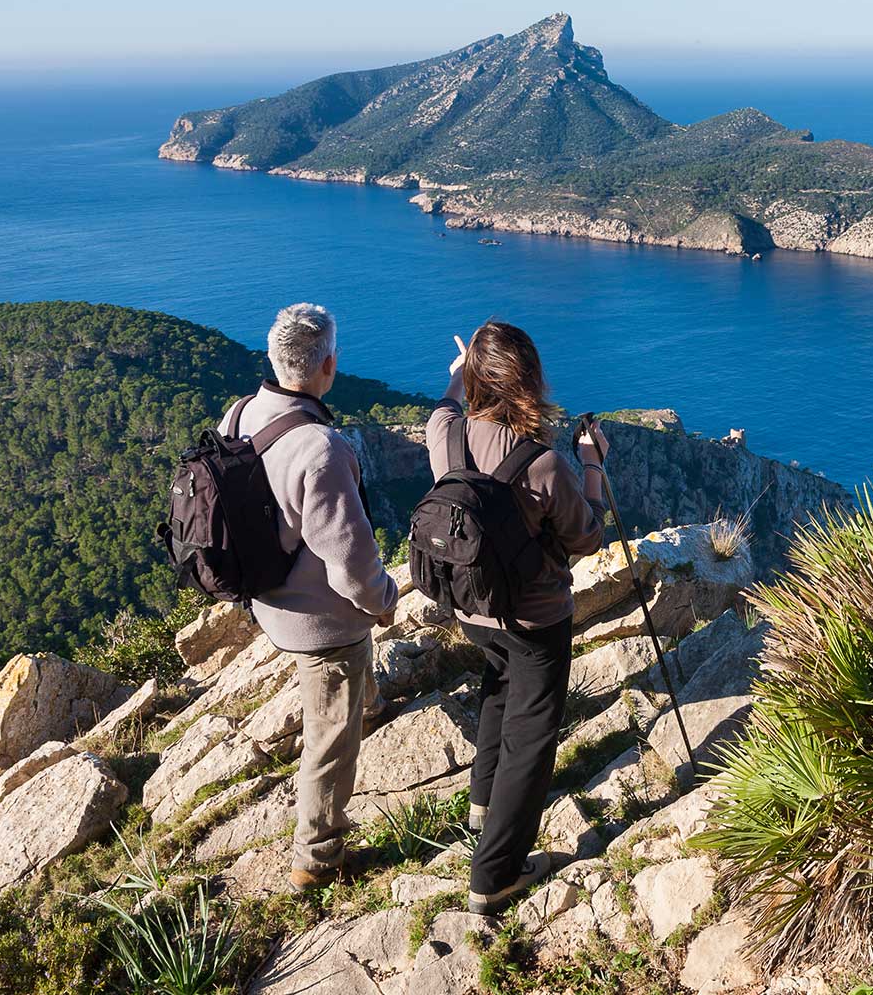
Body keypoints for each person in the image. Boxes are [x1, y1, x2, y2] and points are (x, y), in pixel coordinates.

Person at [430, 321, 610, 914]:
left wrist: (460, 378)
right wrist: (592, 466)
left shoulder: (443, 435)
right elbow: (587, 538)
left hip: (470, 606)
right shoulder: (544, 465)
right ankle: (495, 875)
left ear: (478, 380)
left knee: (498, 689)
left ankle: (483, 802)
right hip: (535, 621)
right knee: (531, 741)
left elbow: (447, 406)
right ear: (530, 380)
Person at [220, 302, 399, 891]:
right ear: (328, 366)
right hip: (320, 627)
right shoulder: (321, 449)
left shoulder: (240, 413)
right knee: (327, 739)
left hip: (265, 599)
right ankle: (316, 858)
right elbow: (351, 562)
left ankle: (368, 703)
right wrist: (384, 599)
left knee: (347, 690)